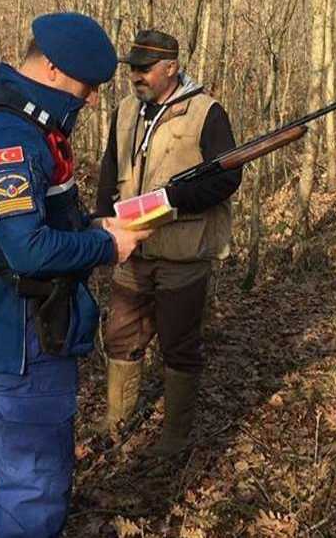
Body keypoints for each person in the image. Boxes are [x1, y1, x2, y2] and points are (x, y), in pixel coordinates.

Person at [0, 12, 150, 537]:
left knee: (16, 490)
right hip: (21, 336)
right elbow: (27, 250)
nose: (91, 100)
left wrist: (94, 226)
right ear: (54, 69)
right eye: (87, 87)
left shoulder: (28, 123)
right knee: (31, 495)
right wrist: (106, 246)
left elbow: (35, 223)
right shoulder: (9, 133)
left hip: (30, 329)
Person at [95, 29, 242, 456]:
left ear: (171, 68)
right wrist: (103, 219)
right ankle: (117, 426)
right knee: (121, 338)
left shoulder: (206, 112)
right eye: (133, 68)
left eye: (145, 69)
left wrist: (173, 199)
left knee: (179, 346)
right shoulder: (126, 111)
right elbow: (110, 170)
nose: (135, 76)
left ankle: (175, 439)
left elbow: (227, 178)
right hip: (131, 250)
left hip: (182, 252)